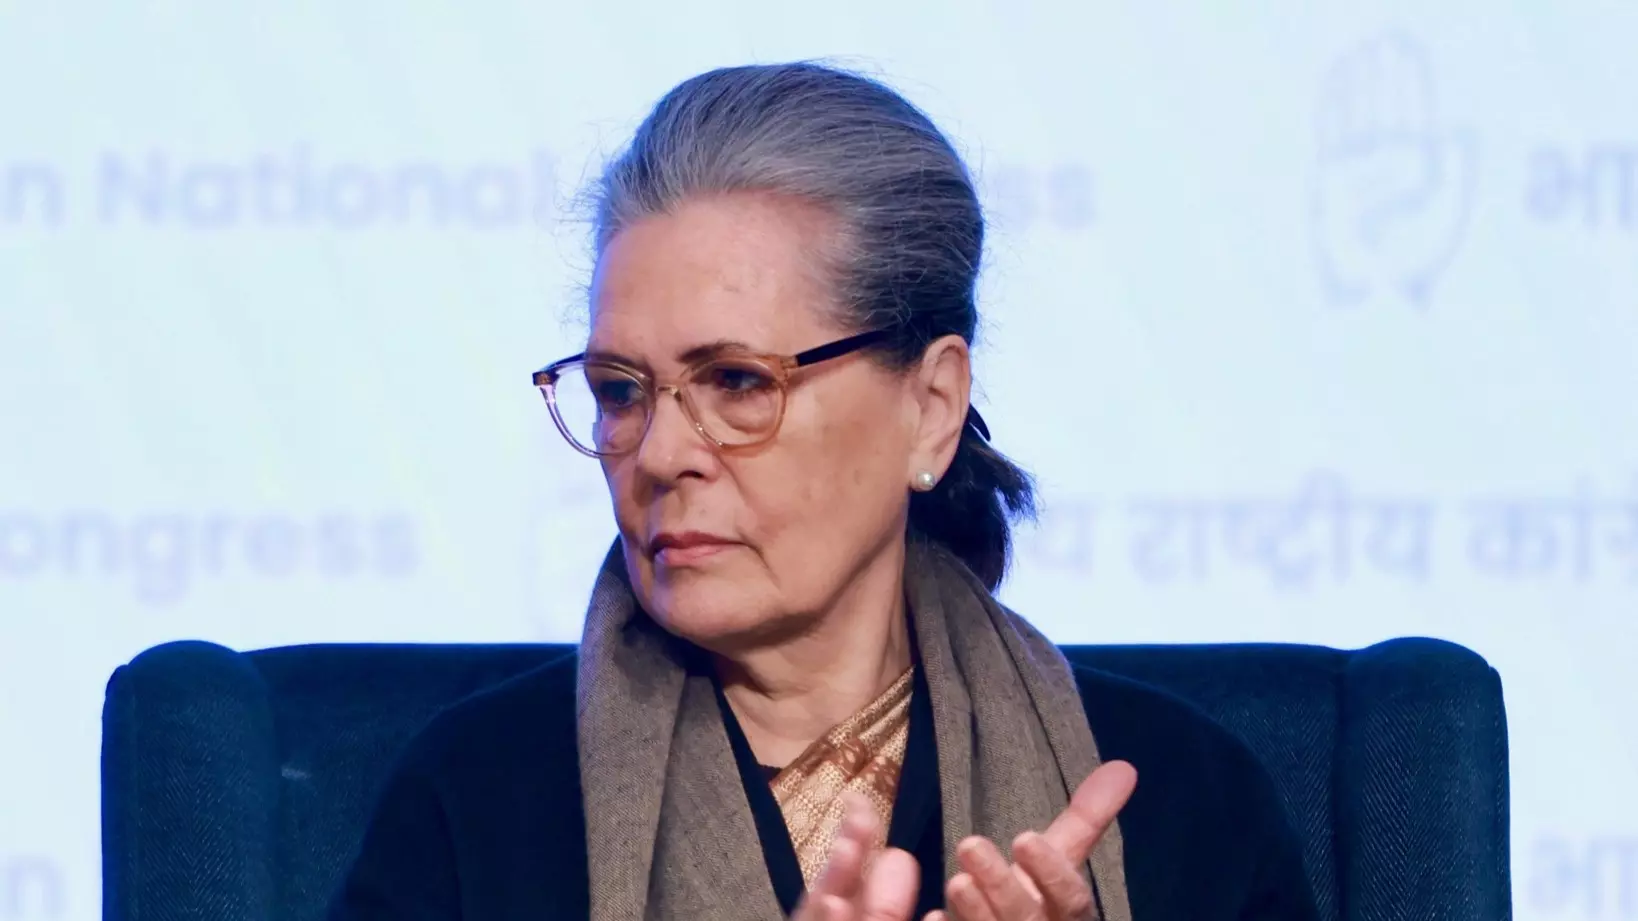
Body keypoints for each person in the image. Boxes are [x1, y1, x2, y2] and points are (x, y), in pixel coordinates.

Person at [327, 62, 1320, 921]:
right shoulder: (477, 803)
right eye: (621, 390)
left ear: (930, 407)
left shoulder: (1181, 803)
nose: (660, 453)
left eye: (736, 381)